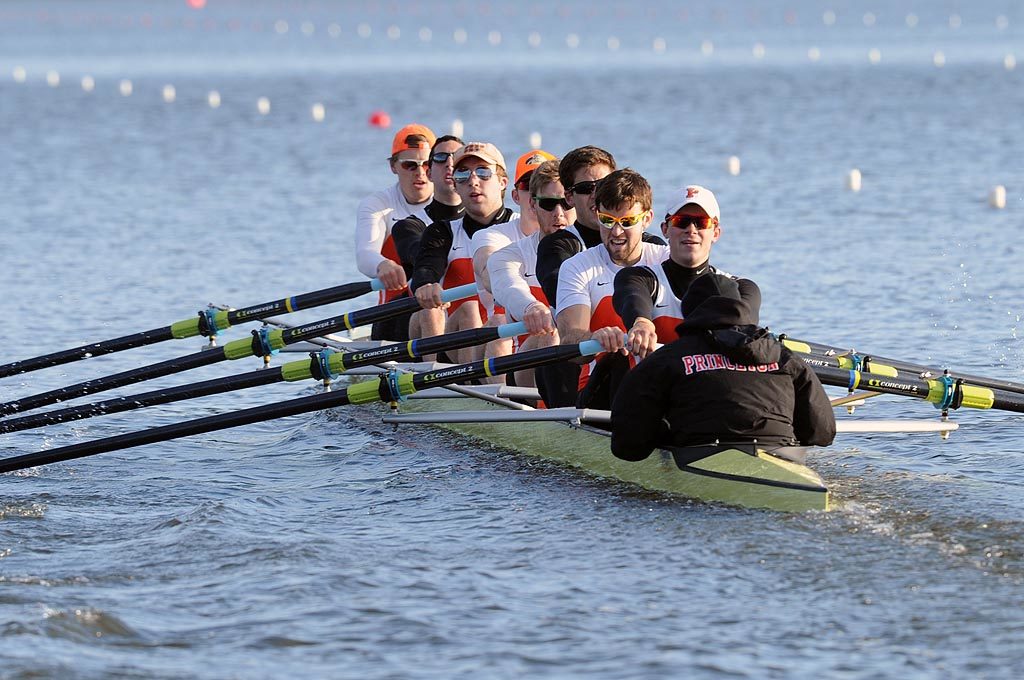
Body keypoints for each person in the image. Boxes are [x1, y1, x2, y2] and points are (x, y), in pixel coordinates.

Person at [610, 272, 836, 460]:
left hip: (700, 455)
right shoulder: (784, 356)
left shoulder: (666, 359)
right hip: (781, 453)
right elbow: (823, 433)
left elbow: (628, 448)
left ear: (690, 313)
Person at [555, 168, 668, 407]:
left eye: (627, 222)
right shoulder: (577, 267)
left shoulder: (666, 260)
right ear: (597, 214)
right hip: (601, 390)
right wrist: (594, 338)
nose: (616, 232)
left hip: (662, 382)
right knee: (619, 358)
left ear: (647, 219)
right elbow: (569, 341)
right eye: (608, 220)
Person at [610, 185, 761, 360]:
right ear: (665, 229)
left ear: (716, 233)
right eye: (681, 221)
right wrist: (642, 324)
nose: (691, 229)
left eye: (701, 222)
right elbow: (633, 299)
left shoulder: (742, 289)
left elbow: (744, 330)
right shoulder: (638, 278)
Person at [410, 142, 515, 363]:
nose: (473, 181)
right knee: (469, 309)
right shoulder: (442, 231)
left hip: (513, 338)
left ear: (502, 182)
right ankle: (448, 384)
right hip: (454, 341)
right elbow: (426, 268)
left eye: (484, 172)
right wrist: (426, 284)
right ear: (456, 187)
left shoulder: (523, 228)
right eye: (463, 175)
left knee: (499, 320)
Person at [486, 159, 575, 386]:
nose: (559, 214)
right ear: (533, 206)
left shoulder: (600, 254)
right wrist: (532, 307)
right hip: (525, 370)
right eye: (548, 204)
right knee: (549, 331)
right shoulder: (506, 257)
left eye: (566, 203)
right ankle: (549, 409)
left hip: (584, 361)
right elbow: (508, 287)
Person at [469, 150, 556, 367]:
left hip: (561, 346)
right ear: (516, 196)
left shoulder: (583, 243)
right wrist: (530, 307)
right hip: (512, 348)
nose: (537, 195)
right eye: (529, 187)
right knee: (497, 320)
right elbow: (492, 275)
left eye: (546, 188)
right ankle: (501, 397)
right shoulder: (492, 237)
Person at [354, 123, 436, 340]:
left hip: (448, 311)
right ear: (393, 167)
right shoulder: (378, 204)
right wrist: (383, 264)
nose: (420, 172)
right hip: (394, 315)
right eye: (410, 165)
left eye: (427, 164)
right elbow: (365, 256)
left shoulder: (453, 202)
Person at [389, 134, 465, 341]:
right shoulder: (409, 226)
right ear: (429, 173)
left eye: (457, 158)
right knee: (431, 310)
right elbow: (423, 257)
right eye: (441, 158)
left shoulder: (496, 226)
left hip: (474, 320)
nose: (450, 163)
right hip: (428, 317)